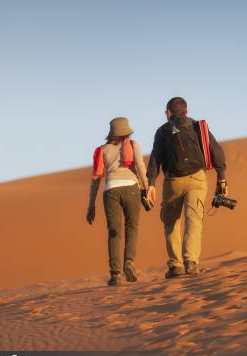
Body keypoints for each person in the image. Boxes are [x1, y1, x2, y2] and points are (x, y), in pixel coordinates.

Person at [146, 97, 227, 279]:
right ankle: (190, 261)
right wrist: (222, 179)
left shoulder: (162, 132)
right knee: (194, 219)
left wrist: (151, 184)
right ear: (186, 111)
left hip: (173, 183)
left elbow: (155, 159)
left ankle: (176, 265)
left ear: (168, 113)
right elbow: (216, 151)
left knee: (171, 223)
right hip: (197, 180)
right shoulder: (199, 127)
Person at [86, 117, 148, 286]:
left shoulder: (102, 150)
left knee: (114, 231)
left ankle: (115, 274)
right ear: (126, 131)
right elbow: (141, 167)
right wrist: (147, 187)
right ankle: (129, 262)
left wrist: (91, 205)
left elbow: (96, 179)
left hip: (111, 190)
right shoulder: (133, 145)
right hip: (131, 188)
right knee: (132, 227)